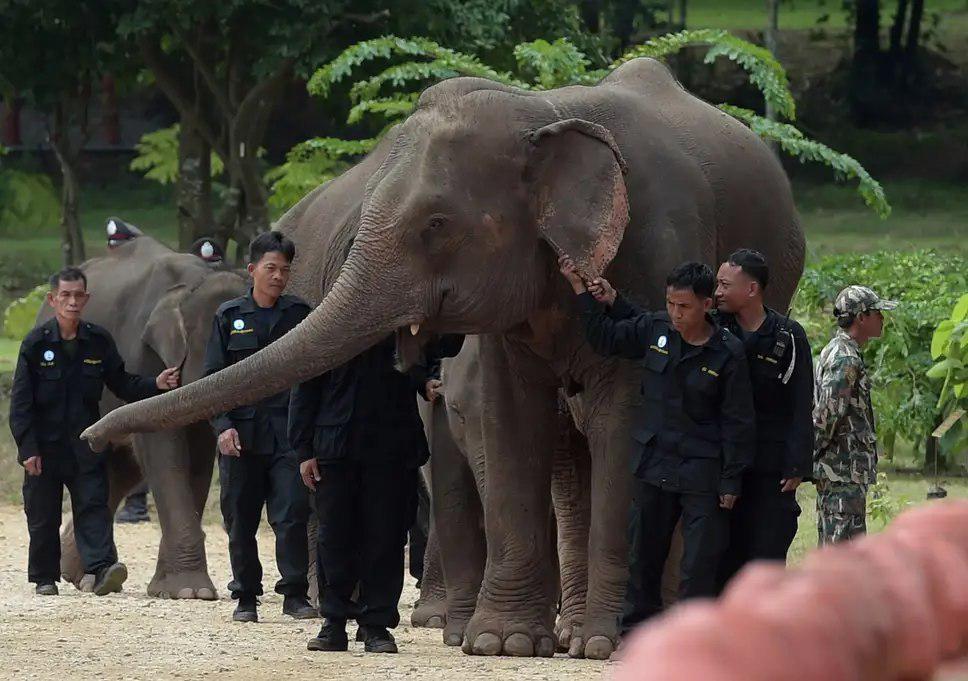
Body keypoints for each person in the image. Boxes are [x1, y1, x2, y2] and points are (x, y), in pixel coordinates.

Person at [559, 256, 754, 633]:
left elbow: (738, 422)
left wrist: (732, 480)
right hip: (655, 465)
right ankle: (637, 634)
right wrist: (583, 293)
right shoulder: (657, 330)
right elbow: (606, 338)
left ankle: (694, 638)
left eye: (684, 307)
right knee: (643, 555)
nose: (676, 314)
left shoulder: (728, 353)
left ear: (706, 305)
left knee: (698, 562)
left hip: (703, 471)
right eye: (670, 304)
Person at [9, 267, 180, 596]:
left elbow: (121, 382)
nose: (72, 302)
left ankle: (102, 570)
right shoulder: (35, 344)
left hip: (85, 442)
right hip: (44, 447)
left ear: (86, 299)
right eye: (65, 296)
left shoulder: (97, 341)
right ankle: (45, 577)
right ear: (53, 299)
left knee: (93, 506)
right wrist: (27, 449)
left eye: (78, 296)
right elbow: (21, 403)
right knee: (43, 514)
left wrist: (155, 385)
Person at [289, 332, 459, 653]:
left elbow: (443, 346)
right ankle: (334, 622)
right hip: (336, 448)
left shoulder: (403, 322)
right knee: (335, 538)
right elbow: (306, 386)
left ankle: (376, 625)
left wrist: (427, 380)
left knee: (386, 538)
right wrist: (303, 450)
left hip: (392, 447)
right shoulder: (333, 325)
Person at [202, 231, 315, 622]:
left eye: (285, 270)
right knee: (241, 518)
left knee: (292, 514)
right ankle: (246, 595)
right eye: (271, 268)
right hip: (242, 436)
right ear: (252, 270)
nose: (278, 276)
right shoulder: (228, 317)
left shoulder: (299, 315)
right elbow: (213, 379)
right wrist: (223, 426)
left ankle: (295, 593)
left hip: (288, 432)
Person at [712, 249, 814, 588]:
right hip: (724, 465)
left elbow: (801, 403)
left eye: (726, 285)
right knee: (722, 555)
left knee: (767, 554)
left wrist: (797, 465)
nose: (718, 292)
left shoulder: (788, 336)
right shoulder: (714, 330)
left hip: (770, 465)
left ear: (752, 289)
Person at [813, 285, 896, 545]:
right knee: (842, 554)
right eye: (877, 312)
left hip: (841, 472)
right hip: (842, 472)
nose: (882, 318)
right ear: (861, 317)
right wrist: (812, 455)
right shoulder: (846, 359)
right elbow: (826, 416)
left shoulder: (838, 350)